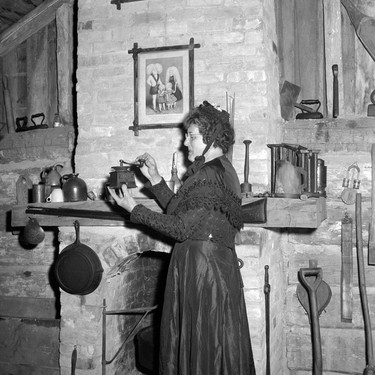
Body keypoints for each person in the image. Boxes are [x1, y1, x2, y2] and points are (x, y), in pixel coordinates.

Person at [108, 101, 256, 375]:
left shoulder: (210, 174)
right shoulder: (220, 171)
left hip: (203, 274)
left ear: (211, 139)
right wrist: (155, 178)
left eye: (193, 136)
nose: (185, 142)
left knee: (201, 350)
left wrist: (134, 209)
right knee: (210, 351)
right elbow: (179, 208)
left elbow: (179, 228)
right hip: (209, 270)